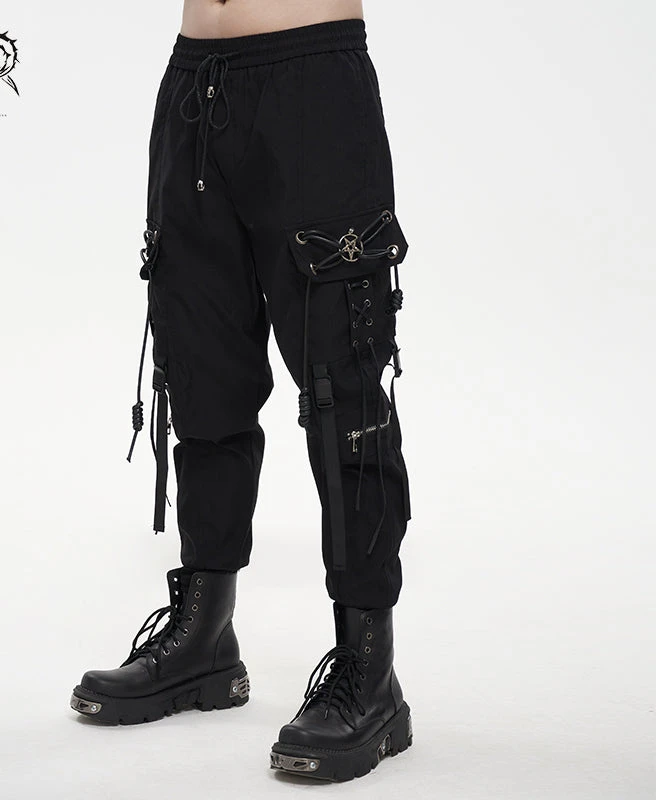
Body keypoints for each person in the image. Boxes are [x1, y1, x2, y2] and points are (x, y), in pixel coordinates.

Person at [70, 0, 414, 782]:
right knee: (200, 371)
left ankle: (371, 672)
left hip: (312, 83)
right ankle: (204, 637)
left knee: (341, 388)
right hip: (193, 83)